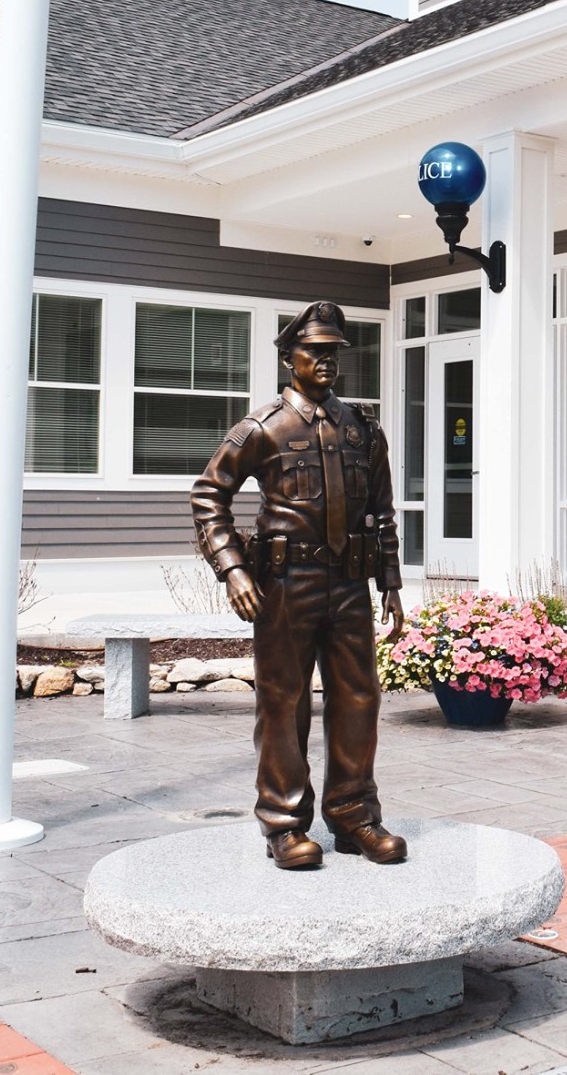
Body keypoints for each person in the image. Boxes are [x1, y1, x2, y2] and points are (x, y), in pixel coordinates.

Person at [189, 301, 408, 870]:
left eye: (334, 352)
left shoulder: (363, 428)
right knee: (284, 705)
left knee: (359, 699)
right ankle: (285, 825)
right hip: (286, 585)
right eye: (315, 351)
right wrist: (233, 569)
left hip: (349, 584)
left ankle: (355, 815)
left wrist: (390, 583)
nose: (327, 361)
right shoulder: (262, 428)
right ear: (289, 358)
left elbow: (382, 512)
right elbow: (208, 496)